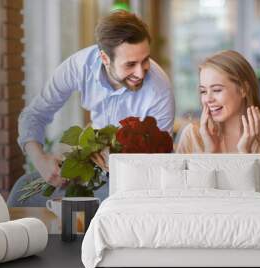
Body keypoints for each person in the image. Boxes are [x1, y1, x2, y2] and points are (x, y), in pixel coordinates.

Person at [9, 10, 174, 206]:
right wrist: (40, 160)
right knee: (22, 193)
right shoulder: (79, 67)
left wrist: (116, 163)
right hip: (90, 169)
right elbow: (34, 114)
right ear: (105, 58)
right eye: (130, 64)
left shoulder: (159, 89)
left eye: (145, 60)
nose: (140, 72)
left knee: (103, 206)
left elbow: (159, 160)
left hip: (134, 181)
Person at [176, 50, 260, 197]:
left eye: (217, 90)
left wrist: (246, 155)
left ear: (243, 89)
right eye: (203, 92)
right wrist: (209, 153)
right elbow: (182, 198)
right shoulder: (192, 135)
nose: (208, 99)